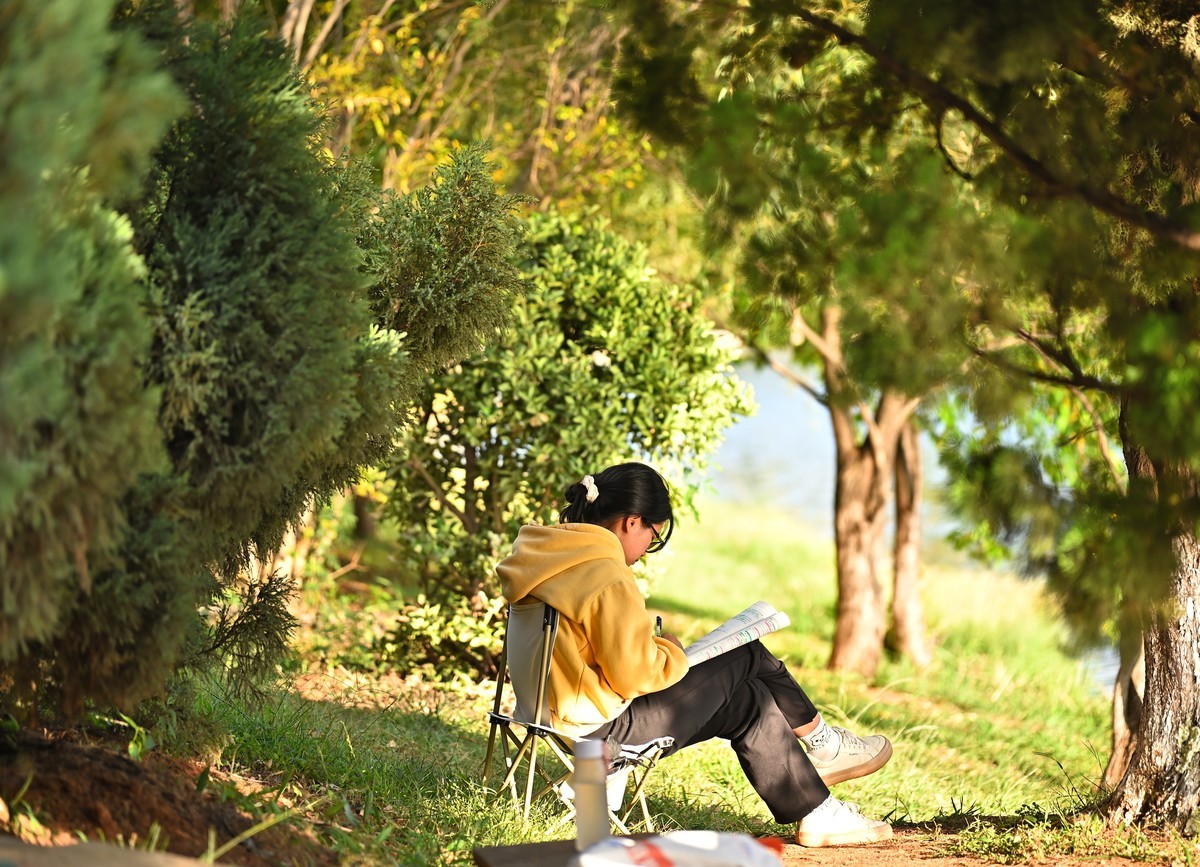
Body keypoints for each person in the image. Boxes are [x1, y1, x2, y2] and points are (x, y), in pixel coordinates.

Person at [496, 461, 894, 847]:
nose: (649, 545)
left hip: (546, 715)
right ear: (631, 521)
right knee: (745, 653)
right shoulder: (603, 573)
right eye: (652, 534)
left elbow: (592, 653)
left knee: (748, 700)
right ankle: (824, 744)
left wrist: (656, 649)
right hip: (600, 731)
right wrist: (670, 648)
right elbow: (633, 676)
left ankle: (818, 812)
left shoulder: (548, 556)